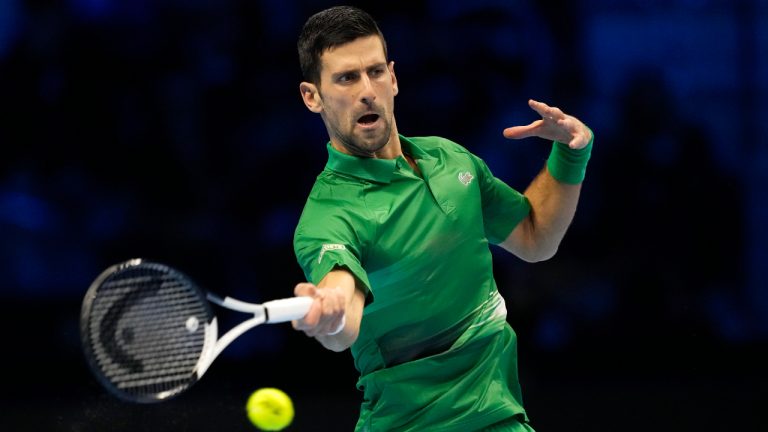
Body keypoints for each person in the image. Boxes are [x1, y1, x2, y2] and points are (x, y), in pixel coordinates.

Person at [290, 6, 593, 432]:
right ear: (312, 96)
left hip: (498, 417)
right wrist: (331, 313)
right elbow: (343, 312)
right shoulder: (328, 215)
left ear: (393, 78)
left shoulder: (450, 160)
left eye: (376, 72)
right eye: (346, 78)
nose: (367, 91)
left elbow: (534, 237)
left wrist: (570, 154)